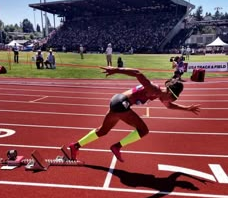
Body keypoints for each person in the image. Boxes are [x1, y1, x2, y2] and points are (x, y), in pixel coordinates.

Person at [69, 67, 201, 162]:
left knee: (102, 131)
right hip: (121, 103)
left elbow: (169, 106)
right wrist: (116, 70)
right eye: (174, 97)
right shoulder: (153, 89)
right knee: (143, 130)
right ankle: (116, 147)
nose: (173, 100)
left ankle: (75, 146)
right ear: (170, 92)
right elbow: (138, 73)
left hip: (117, 102)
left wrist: (187, 109)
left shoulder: (160, 95)